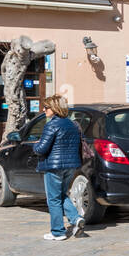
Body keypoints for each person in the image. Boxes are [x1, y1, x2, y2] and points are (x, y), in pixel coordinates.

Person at [33, 95, 86, 241]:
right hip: (71, 166)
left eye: (46, 107)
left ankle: (58, 232)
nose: (43, 110)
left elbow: (41, 149)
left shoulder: (51, 125)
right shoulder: (72, 124)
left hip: (54, 167)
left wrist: (35, 145)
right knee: (62, 195)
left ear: (54, 109)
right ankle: (76, 219)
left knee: (53, 199)